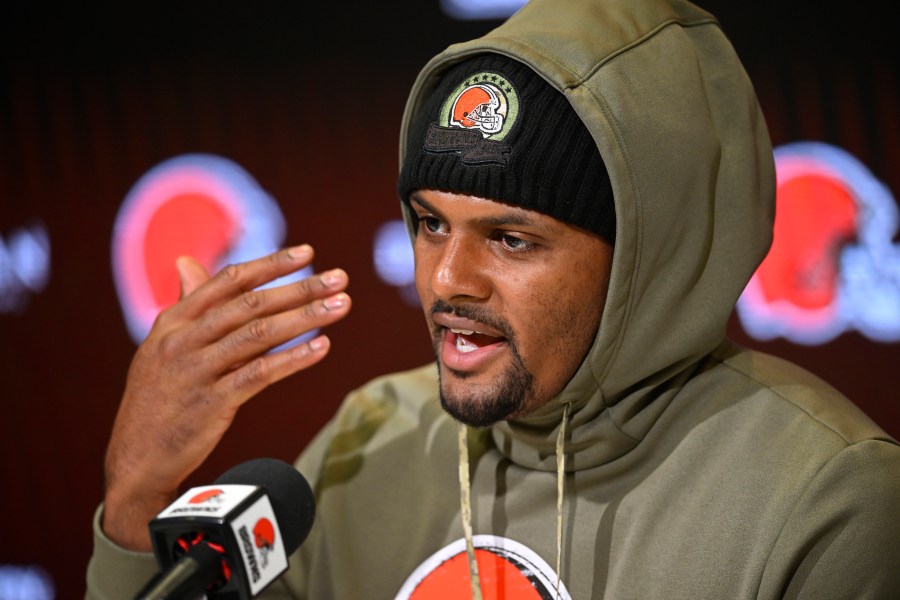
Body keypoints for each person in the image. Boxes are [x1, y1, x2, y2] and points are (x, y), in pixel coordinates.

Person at [86, 0, 900, 597]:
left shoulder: (826, 499)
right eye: (430, 223)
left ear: (647, 259)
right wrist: (135, 501)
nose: (445, 280)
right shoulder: (370, 443)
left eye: (512, 240)